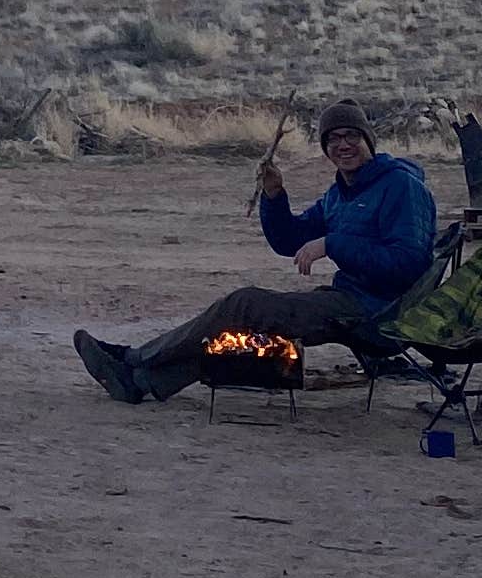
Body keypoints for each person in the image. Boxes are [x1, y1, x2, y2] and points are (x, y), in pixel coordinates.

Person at [73, 101, 438, 405]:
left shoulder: (401, 186)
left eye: (351, 136)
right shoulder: (341, 193)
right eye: (333, 138)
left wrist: (333, 244)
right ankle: (140, 381)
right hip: (349, 299)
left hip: (381, 313)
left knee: (244, 305)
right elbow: (289, 241)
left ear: (369, 140)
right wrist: (274, 195)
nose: (343, 145)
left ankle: (133, 357)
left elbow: (409, 265)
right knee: (242, 327)